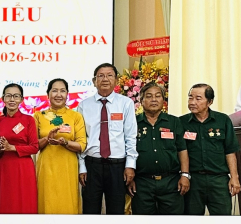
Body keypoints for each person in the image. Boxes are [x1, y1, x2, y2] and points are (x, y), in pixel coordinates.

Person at [78, 63, 138, 215]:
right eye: (101, 76)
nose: (105, 79)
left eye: (110, 75)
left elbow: (131, 136)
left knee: (116, 212)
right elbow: (81, 138)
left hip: (117, 167)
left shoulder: (126, 103)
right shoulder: (84, 105)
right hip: (92, 166)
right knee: (90, 211)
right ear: (94, 81)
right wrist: (82, 167)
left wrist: (130, 165)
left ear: (116, 80)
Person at [181, 84, 241, 215]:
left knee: (222, 220)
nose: (192, 102)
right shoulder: (181, 122)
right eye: (190, 98)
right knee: (191, 221)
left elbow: (230, 151)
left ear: (210, 102)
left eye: (198, 98)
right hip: (193, 180)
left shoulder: (223, 120)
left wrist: (234, 177)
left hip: (218, 180)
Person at [129, 83, 190, 215]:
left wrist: (185, 175)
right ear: (141, 101)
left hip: (171, 182)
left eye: (158, 96)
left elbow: (182, 150)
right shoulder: (133, 122)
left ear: (163, 100)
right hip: (142, 183)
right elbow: (127, 150)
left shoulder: (174, 122)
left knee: (172, 223)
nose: (154, 100)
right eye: (149, 96)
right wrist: (130, 179)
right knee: (143, 223)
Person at [34, 78, 87, 214]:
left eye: (62, 91)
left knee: (67, 203)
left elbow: (82, 145)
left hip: (67, 168)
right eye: (54, 91)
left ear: (67, 94)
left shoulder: (76, 116)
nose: (58, 94)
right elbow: (33, 146)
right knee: (47, 203)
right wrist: (47, 139)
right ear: (48, 94)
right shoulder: (39, 116)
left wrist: (65, 143)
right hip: (46, 168)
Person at [0, 83, 39, 214]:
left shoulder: (28, 120)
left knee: (24, 201)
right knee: (5, 201)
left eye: (16, 96)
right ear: (3, 99)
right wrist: (1, 148)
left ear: (21, 99)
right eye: (8, 96)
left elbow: (34, 147)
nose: (12, 99)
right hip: (4, 166)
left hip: (23, 167)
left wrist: (12, 147)